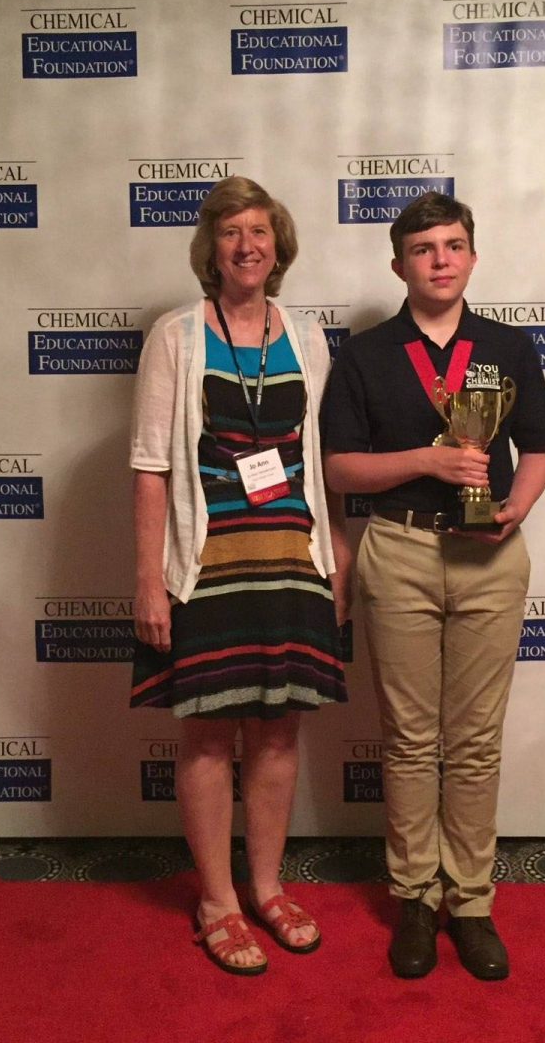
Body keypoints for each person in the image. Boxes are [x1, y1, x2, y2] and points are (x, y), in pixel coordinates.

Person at [320, 191, 545, 981]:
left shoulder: (509, 346)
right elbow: (340, 467)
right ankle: (415, 898)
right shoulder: (363, 354)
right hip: (400, 550)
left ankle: (473, 903)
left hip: (491, 558)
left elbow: (537, 450)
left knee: (477, 740)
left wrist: (515, 509)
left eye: (454, 245)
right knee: (412, 739)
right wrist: (429, 461)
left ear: (473, 256)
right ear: (399, 264)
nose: (441, 259)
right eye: (424, 248)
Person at [130, 176, 351, 976]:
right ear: (210, 249)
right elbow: (151, 466)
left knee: (281, 731)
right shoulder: (177, 335)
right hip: (206, 565)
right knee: (206, 732)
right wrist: (149, 580)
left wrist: (336, 552)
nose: (247, 244)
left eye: (259, 231)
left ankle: (266, 887)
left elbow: (316, 462)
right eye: (230, 233)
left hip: (291, 560)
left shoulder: (307, 335)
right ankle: (217, 901)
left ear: (278, 246)